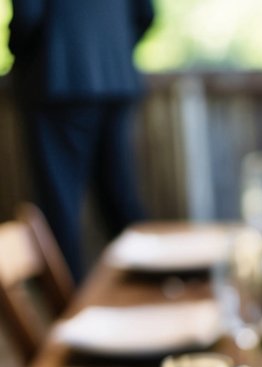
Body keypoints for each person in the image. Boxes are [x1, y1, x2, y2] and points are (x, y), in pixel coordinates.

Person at [9, 0, 156, 282]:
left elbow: (28, 16)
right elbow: (145, 14)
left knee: (59, 205)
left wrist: (20, 52)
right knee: (119, 196)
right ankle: (160, 285)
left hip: (57, 77)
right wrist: (112, 44)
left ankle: (67, 310)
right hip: (116, 74)